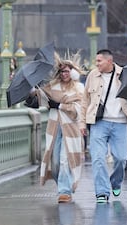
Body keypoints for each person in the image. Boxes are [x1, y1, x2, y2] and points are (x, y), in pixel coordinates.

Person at [80, 49, 127, 203]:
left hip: (120, 122)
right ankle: (102, 192)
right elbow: (85, 100)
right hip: (99, 122)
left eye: (99, 61)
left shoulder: (125, 74)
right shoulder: (93, 75)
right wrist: (82, 123)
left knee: (121, 159)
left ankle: (115, 182)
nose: (96, 64)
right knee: (98, 158)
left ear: (109, 61)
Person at [31, 53, 84, 203]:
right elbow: (40, 98)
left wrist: (59, 105)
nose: (64, 74)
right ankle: (63, 183)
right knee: (54, 162)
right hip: (54, 128)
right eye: (62, 71)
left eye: (67, 71)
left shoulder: (79, 88)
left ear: (73, 72)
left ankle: (64, 191)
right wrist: (32, 89)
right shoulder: (52, 87)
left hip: (70, 129)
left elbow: (79, 109)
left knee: (64, 160)